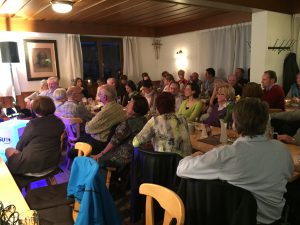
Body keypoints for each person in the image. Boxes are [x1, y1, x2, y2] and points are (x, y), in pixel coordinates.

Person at [177, 98, 294, 225]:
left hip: (238, 219)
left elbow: (181, 169)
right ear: (266, 123)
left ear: (235, 124)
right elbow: (288, 176)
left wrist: (193, 156)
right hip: (274, 219)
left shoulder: (225, 154)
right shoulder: (282, 150)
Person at [5, 96, 65, 175]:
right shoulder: (59, 122)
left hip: (35, 165)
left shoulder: (33, 124)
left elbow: (20, 146)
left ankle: (10, 179)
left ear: (35, 110)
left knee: (8, 150)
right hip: (53, 161)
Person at [92, 95, 149, 166]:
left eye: (130, 103)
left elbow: (114, 141)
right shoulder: (144, 119)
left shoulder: (128, 123)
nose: (127, 105)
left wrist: (100, 155)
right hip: (138, 154)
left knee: (95, 161)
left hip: (124, 156)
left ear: (135, 109)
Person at [133, 92, 192, 157]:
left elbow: (135, 142)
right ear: (173, 104)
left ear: (158, 106)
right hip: (185, 162)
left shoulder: (155, 121)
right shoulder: (182, 118)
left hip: (165, 163)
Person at [85, 84, 126, 154]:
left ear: (105, 97)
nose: (98, 95)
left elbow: (88, 129)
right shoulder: (121, 108)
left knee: (71, 152)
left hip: (100, 144)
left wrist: (88, 123)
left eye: (99, 94)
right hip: (112, 142)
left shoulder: (105, 112)